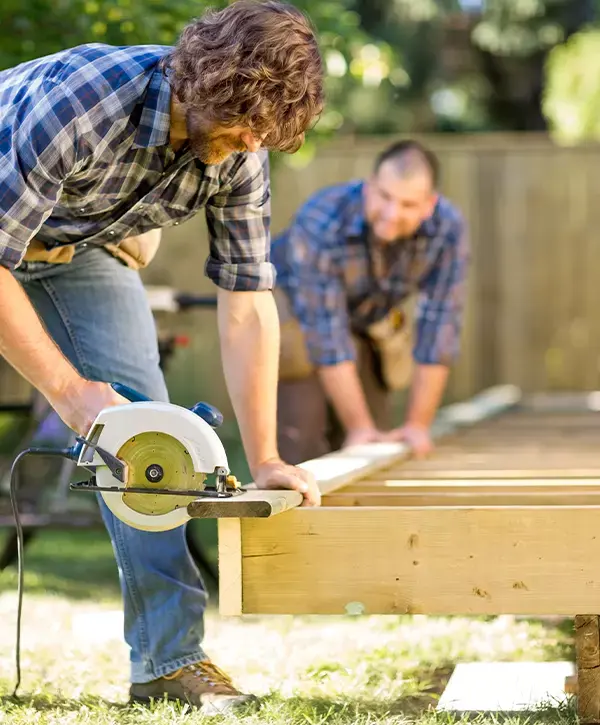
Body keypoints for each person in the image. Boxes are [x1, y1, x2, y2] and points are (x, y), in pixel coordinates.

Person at [0, 0, 323, 714]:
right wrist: (68, 391)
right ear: (202, 81)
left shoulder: (244, 147)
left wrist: (266, 454)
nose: (250, 141)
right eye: (241, 123)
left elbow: (247, 300)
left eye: (264, 131)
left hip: (68, 249)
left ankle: (168, 661)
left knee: (151, 441)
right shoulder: (82, 105)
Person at [271, 139, 470, 465]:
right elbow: (326, 332)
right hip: (294, 310)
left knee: (376, 442)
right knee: (304, 434)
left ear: (429, 205)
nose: (392, 214)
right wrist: (357, 426)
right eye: (385, 197)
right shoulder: (323, 219)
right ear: (369, 186)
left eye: (408, 205)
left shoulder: (447, 228)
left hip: (365, 317)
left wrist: (418, 426)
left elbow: (440, 326)